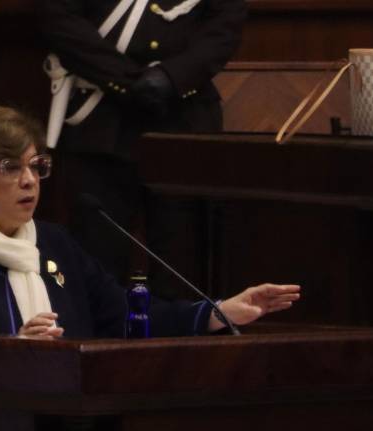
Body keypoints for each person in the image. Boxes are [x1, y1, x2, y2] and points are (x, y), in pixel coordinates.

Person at [0, 105, 300, 337]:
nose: (29, 180)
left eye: (36, 166)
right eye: (10, 167)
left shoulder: (54, 244)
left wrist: (218, 311)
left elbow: (124, 314)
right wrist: (15, 349)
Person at [39, 0, 248, 286]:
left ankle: (181, 331)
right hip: (101, 121)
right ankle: (103, 331)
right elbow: (60, 19)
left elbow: (223, 27)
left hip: (183, 123)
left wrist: (172, 78)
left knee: (181, 259)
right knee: (98, 255)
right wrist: (126, 82)